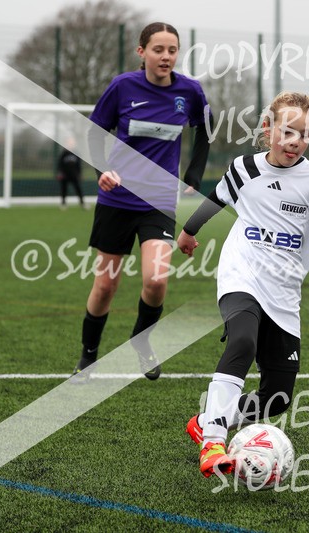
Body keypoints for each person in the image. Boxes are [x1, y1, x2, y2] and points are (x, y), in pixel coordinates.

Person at [176, 91, 309, 477]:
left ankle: (207, 419)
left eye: (304, 133)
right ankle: (212, 442)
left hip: (284, 293)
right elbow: (218, 196)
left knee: (277, 397)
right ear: (269, 129)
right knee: (243, 341)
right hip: (241, 274)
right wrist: (188, 232)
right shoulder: (245, 168)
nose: (294, 141)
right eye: (287, 131)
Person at [72, 22, 211, 381]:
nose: (165, 57)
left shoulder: (190, 91)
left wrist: (194, 173)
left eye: (172, 50)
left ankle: (141, 341)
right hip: (117, 200)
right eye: (158, 49)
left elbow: (204, 132)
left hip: (158, 200)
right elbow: (93, 131)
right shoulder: (122, 87)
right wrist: (102, 169)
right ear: (142, 52)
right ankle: (88, 355)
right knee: (106, 285)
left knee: (156, 281)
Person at [56, 138, 85, 210]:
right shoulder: (63, 153)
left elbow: (79, 165)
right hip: (65, 174)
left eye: (72, 143)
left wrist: (80, 174)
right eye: (69, 143)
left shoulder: (76, 153)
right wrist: (60, 173)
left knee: (78, 189)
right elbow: (60, 164)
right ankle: (63, 204)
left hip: (74, 174)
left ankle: (82, 203)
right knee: (64, 189)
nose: (70, 144)